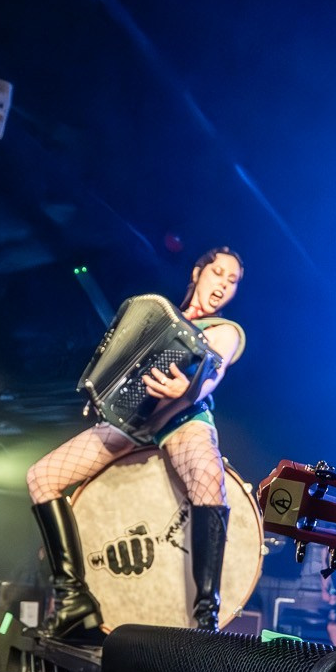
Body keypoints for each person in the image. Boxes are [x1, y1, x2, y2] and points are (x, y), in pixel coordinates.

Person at [26, 247, 246, 638]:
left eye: (232, 282)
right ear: (198, 272)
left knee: (208, 478)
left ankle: (206, 616)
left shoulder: (225, 329)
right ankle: (74, 597)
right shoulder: (158, 318)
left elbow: (215, 365)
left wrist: (191, 388)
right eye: (218, 273)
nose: (224, 285)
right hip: (133, 425)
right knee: (41, 478)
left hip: (183, 420)